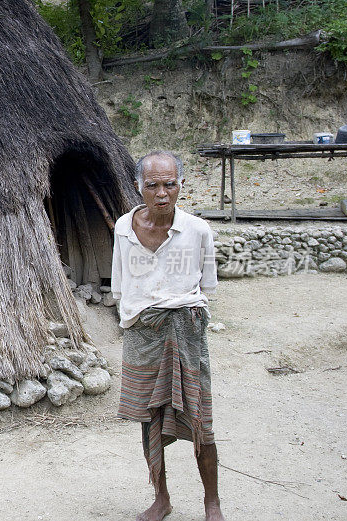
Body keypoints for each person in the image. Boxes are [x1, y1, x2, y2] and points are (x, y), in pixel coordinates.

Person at [111, 151, 225, 521]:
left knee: (199, 415)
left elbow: (206, 284)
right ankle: (161, 498)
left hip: (186, 331)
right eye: (152, 185)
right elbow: (119, 285)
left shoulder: (198, 230)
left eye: (169, 184)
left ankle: (213, 503)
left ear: (180, 185)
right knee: (149, 418)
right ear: (137, 187)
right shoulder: (123, 228)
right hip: (142, 333)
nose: (162, 193)